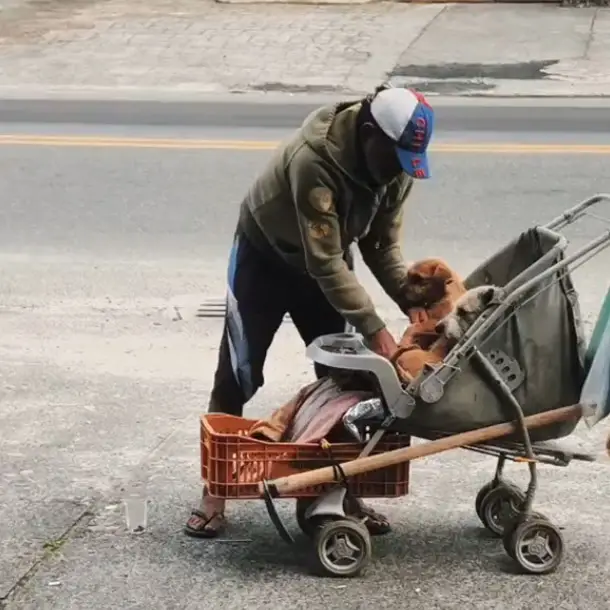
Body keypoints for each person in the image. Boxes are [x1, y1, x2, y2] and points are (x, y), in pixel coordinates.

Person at [184, 84, 435, 538]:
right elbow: (323, 262)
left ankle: (340, 490)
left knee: (346, 378)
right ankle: (214, 491)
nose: (396, 172)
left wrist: (408, 299)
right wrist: (376, 328)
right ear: (367, 133)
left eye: (405, 164)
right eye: (392, 159)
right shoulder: (313, 161)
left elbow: (382, 245)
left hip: (328, 264)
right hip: (266, 259)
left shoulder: (397, 167)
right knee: (236, 372)